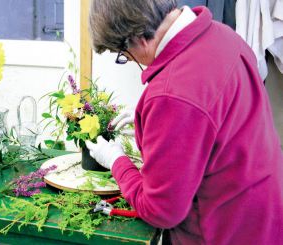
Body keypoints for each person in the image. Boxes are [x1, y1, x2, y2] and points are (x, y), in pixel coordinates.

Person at [86, 1, 283, 244]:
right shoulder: (224, 37)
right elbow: (213, 129)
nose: (128, 59)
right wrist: (155, 124)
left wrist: (117, 162)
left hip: (222, 233)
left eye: (123, 55)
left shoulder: (173, 94)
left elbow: (160, 211)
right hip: (264, 219)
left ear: (138, 38)